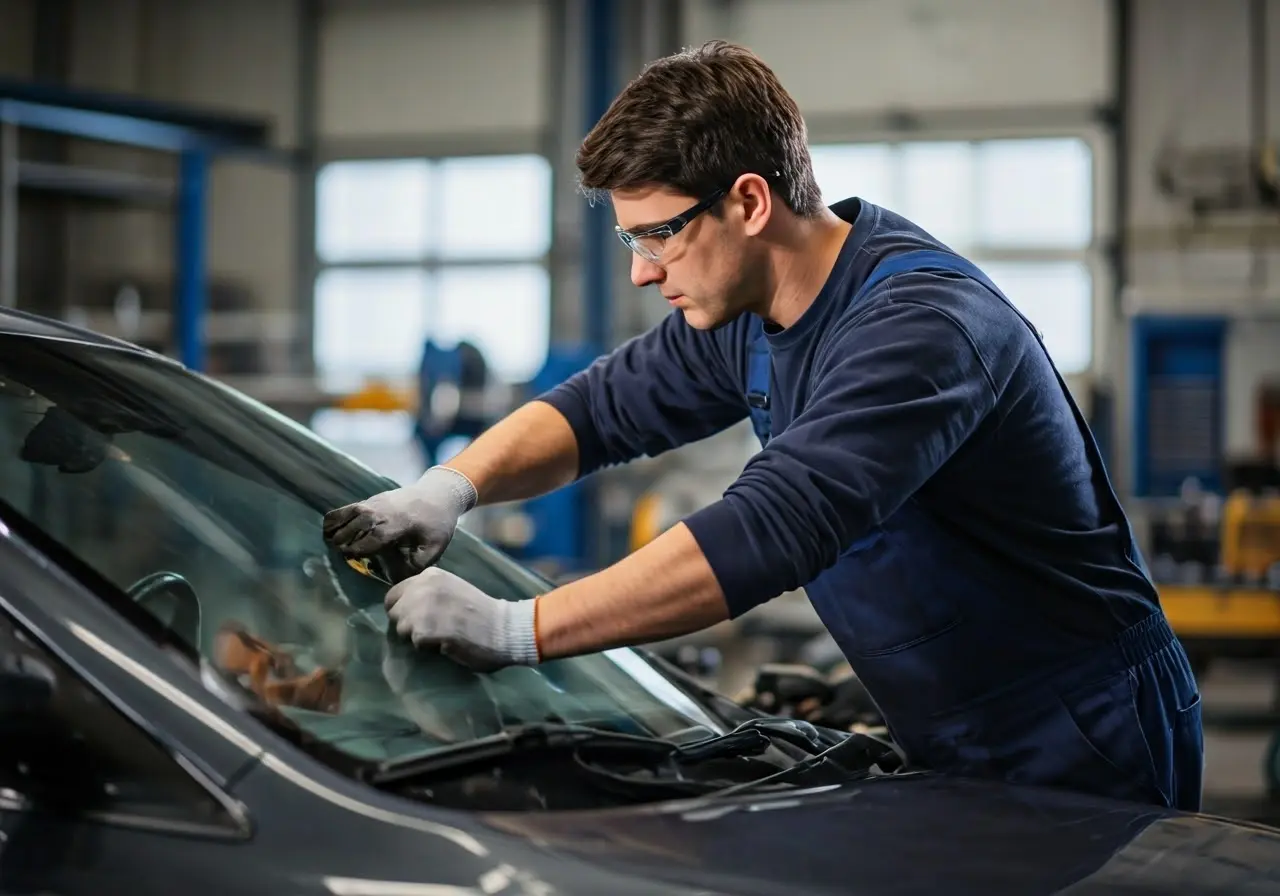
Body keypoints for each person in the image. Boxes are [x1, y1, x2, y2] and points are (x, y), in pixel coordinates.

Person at [323, 40, 1204, 811]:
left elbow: (772, 528)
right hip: (949, 718)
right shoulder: (751, 311)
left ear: (748, 203)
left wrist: (518, 630)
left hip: (1079, 727)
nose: (640, 272)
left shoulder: (918, 327)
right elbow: (599, 410)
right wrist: (448, 489)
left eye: (656, 236)